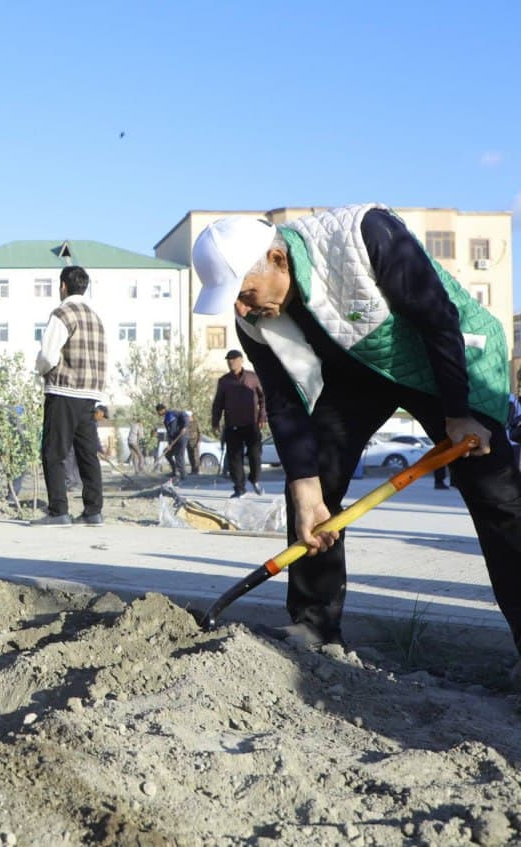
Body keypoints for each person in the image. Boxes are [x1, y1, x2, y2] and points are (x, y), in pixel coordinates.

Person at [192, 207, 521, 671]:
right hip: (362, 374)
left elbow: (437, 318)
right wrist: (304, 488)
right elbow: (285, 404)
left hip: (447, 358)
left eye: (246, 292)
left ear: (277, 260)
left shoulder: (365, 237)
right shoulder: (254, 321)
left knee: (496, 496)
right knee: (313, 488)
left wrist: (459, 414)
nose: (242, 309)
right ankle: (313, 625)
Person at [32, 265, 107, 526]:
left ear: (63, 286)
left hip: (63, 390)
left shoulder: (63, 313)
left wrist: (39, 371)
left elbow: (48, 355)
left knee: (53, 452)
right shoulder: (95, 317)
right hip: (90, 393)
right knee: (87, 453)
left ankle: (58, 511)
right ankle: (93, 511)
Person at [211, 349, 267, 497]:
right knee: (235, 459)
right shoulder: (224, 381)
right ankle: (239, 488)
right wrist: (215, 422)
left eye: (234, 359)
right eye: (229, 360)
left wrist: (262, 417)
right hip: (232, 425)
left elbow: (263, 398)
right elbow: (218, 403)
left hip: (251, 424)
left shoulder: (252, 378)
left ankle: (254, 479)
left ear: (241, 360)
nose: (231, 362)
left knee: (255, 455)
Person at [156, 403, 188, 483]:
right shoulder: (166, 420)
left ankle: (183, 476)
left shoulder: (173, 413)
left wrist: (185, 426)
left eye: (158, 411)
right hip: (174, 440)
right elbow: (170, 433)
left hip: (181, 437)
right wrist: (169, 444)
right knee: (167, 453)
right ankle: (174, 471)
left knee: (179, 456)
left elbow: (185, 415)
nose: (158, 413)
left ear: (162, 410)